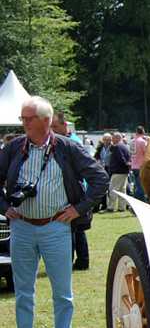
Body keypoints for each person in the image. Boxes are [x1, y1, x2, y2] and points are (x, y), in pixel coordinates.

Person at [0, 96, 108, 328]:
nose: (24, 123)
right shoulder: (14, 148)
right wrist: (4, 206)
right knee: (23, 290)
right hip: (22, 227)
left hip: (55, 227)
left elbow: (100, 179)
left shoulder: (67, 148)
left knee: (62, 291)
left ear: (46, 121)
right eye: (22, 118)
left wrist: (77, 209)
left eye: (29, 118)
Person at [51, 113, 91, 269]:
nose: (53, 130)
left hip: (76, 191)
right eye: (51, 127)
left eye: (55, 127)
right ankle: (80, 261)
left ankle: (79, 261)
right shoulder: (64, 141)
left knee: (75, 227)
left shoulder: (72, 143)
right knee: (75, 228)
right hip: (73, 189)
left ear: (64, 125)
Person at [105, 132, 131, 211]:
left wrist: (125, 164)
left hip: (117, 171)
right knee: (122, 190)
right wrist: (127, 165)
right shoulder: (125, 146)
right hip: (124, 171)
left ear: (117, 138)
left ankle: (111, 207)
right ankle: (121, 207)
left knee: (113, 189)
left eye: (113, 138)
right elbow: (128, 157)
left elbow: (120, 158)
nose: (112, 140)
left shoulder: (118, 147)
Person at [130, 126, 148, 201]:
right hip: (141, 166)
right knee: (141, 186)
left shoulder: (132, 141)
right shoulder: (143, 142)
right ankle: (137, 201)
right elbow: (146, 153)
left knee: (137, 185)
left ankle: (139, 201)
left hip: (134, 165)